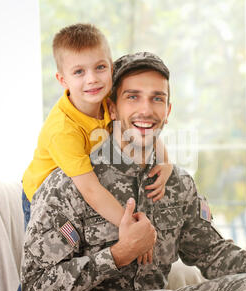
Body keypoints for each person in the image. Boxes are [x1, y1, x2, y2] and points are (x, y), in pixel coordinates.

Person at [20, 52, 246, 291]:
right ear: (112, 109)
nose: (146, 110)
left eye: (157, 98)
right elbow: (35, 289)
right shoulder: (69, 184)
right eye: (133, 97)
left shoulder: (178, 183)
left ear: (168, 111)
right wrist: (118, 254)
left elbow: (211, 252)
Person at [21, 23, 172, 254]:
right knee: (49, 260)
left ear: (110, 67)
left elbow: (141, 125)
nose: (92, 79)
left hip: (81, 186)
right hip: (46, 199)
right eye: (79, 72)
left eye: (100, 67)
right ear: (62, 80)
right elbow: (90, 190)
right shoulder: (63, 130)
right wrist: (130, 226)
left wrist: (164, 161)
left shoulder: (106, 99)